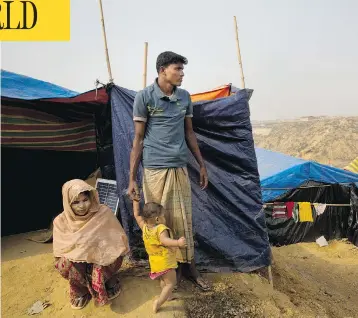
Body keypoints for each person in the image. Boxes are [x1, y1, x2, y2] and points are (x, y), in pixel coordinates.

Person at [127, 51, 210, 291]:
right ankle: (165, 271)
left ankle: (189, 267)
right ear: (163, 70)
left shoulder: (184, 97)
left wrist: (202, 165)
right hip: (154, 169)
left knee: (183, 220)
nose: (182, 74)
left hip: (179, 167)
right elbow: (138, 139)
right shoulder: (144, 97)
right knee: (157, 221)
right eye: (178, 69)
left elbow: (189, 133)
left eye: (182, 70)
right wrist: (132, 178)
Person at [53, 179, 129, 309]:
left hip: (102, 258)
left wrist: (97, 253)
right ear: (67, 203)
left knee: (112, 255)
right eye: (75, 202)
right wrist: (82, 250)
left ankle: (108, 279)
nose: (82, 206)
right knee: (64, 264)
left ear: (91, 198)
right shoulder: (60, 221)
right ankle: (80, 289)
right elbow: (60, 251)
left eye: (85, 200)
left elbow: (117, 240)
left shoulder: (103, 212)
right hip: (78, 262)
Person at [132, 198, 187, 313]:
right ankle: (159, 302)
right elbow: (164, 241)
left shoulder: (145, 227)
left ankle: (168, 296)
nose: (165, 218)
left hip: (155, 262)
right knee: (171, 283)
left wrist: (135, 201)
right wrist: (178, 243)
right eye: (163, 216)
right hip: (165, 262)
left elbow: (137, 215)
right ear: (157, 219)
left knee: (164, 281)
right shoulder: (160, 229)